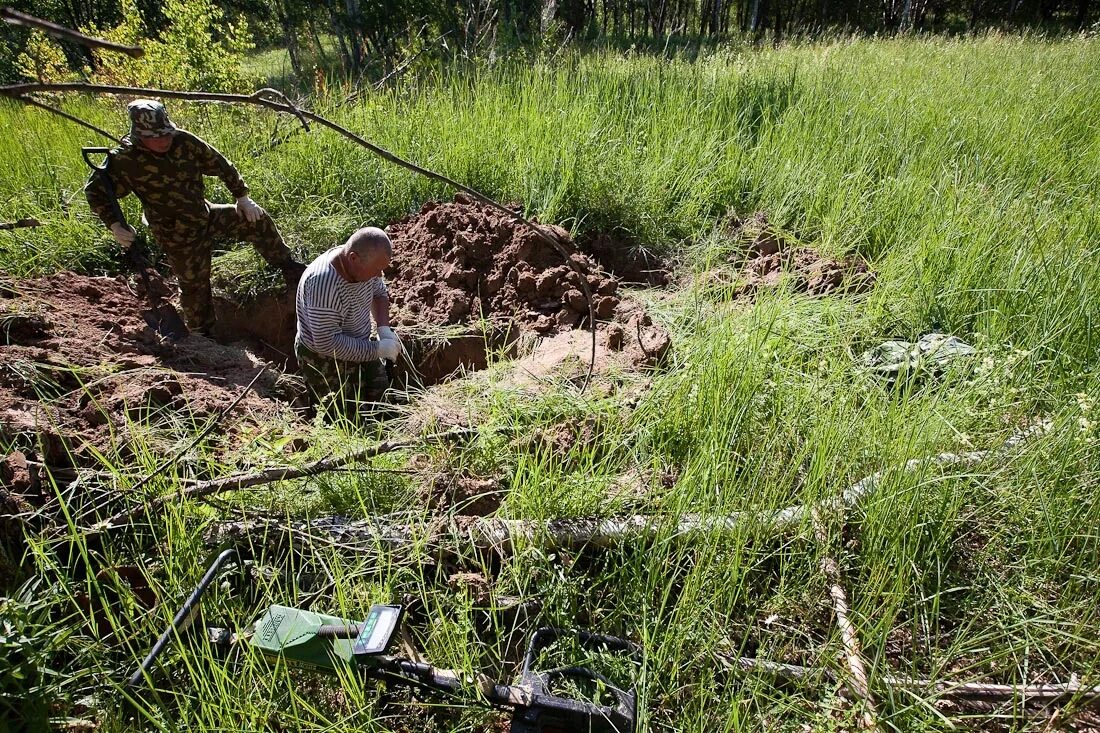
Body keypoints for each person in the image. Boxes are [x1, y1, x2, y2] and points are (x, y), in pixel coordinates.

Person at [84, 98, 306, 336]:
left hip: (205, 215)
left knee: (257, 221)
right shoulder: (125, 160)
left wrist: (242, 197)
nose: (163, 141)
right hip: (175, 234)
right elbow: (96, 192)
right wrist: (115, 225)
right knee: (195, 286)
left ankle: (290, 269)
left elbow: (221, 164)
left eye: (166, 134)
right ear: (140, 136)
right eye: (155, 137)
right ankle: (204, 336)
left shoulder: (184, 142)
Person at [295, 226, 401, 415]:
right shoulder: (323, 284)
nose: (379, 275)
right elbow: (327, 342)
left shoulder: (363, 264)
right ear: (353, 258)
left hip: (360, 342)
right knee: (340, 416)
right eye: (377, 270)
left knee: (382, 400)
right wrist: (378, 349)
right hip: (324, 359)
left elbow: (379, 293)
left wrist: (383, 330)